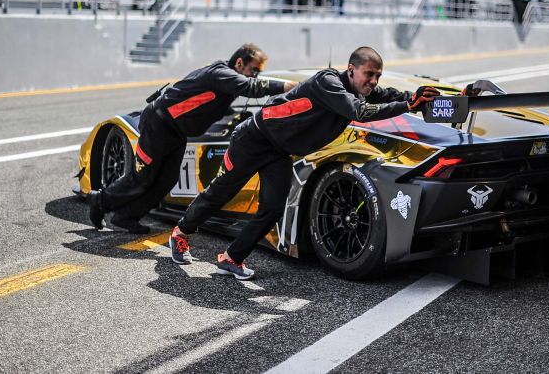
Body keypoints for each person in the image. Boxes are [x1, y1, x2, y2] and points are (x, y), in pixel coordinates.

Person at [168, 46, 441, 279]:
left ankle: (231, 258)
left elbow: (391, 95)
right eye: (369, 74)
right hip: (253, 139)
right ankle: (180, 233)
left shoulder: (362, 88)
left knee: (273, 209)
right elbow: (358, 112)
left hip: (279, 151)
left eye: (377, 76)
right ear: (351, 70)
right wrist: (407, 105)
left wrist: (418, 97)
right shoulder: (328, 82)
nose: (373, 81)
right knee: (220, 193)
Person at [87, 44, 295, 233]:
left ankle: (125, 217)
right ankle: (101, 200)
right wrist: (287, 87)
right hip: (158, 124)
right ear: (240, 63)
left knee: (168, 179)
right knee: (143, 177)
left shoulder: (225, 78)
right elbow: (252, 88)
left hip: (176, 130)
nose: (255, 76)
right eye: (254, 71)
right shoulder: (221, 73)